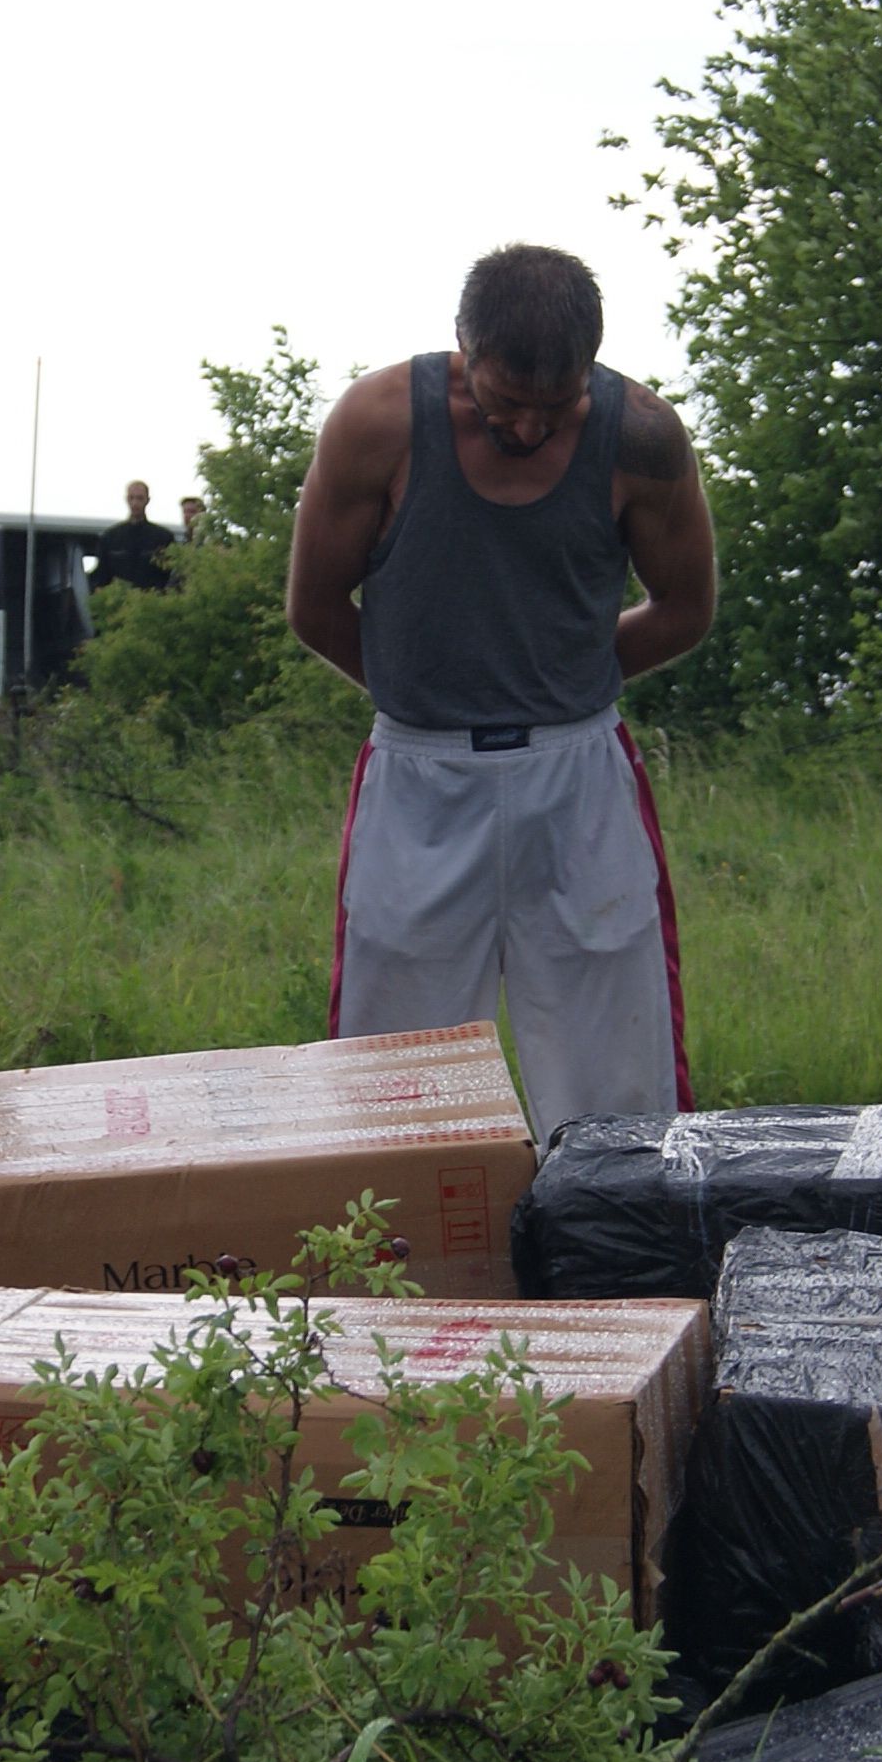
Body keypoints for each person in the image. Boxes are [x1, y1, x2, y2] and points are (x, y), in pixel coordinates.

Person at [285, 243, 718, 1139]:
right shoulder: (377, 422)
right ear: (462, 347)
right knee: (394, 1065)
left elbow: (685, 609)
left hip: (581, 775)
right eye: (503, 402)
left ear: (591, 369)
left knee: (617, 1066)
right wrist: (429, 691)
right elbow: (316, 607)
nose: (525, 427)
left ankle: (620, 1266)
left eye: (554, 408)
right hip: (420, 776)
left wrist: (554, 682)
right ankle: (396, 1265)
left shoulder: (640, 434)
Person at [93, 481, 176, 590]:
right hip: (119, 602)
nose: (135, 503)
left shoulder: (163, 538)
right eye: (132, 498)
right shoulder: (109, 538)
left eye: (140, 498)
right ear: (127, 500)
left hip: (152, 602)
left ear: (147, 500)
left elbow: (169, 576)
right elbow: (102, 576)